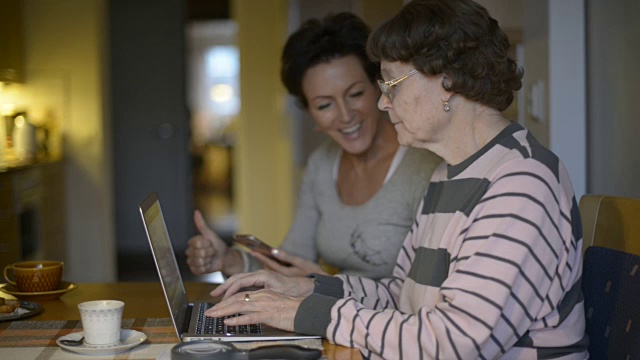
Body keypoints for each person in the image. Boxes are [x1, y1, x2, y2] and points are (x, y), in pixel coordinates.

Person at [204, 1, 589, 359]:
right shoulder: (449, 173)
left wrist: (314, 315)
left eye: (391, 84)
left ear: (448, 81)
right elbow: (399, 295)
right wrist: (307, 289)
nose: (383, 102)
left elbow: (457, 343)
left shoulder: (521, 184)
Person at [185, 12, 441, 280]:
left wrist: (324, 287)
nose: (344, 115)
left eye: (355, 94)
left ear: (379, 88)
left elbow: (423, 291)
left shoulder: (424, 166)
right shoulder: (321, 165)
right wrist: (228, 259)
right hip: (334, 316)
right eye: (324, 105)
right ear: (310, 112)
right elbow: (294, 263)